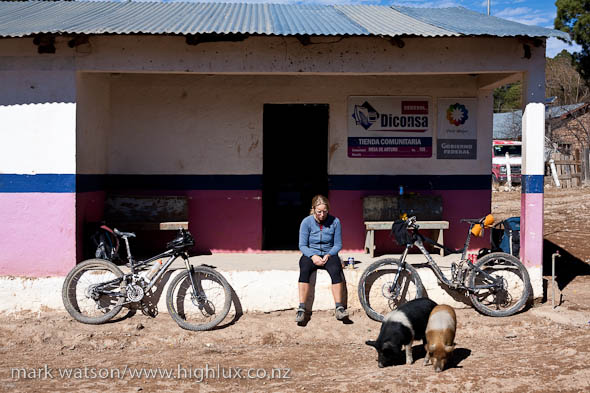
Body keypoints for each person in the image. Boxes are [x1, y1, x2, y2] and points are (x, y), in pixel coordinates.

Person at [296, 194, 348, 323]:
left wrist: (329, 254)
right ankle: (302, 308)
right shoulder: (306, 222)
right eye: (319, 212)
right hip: (311, 254)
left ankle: (339, 307)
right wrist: (313, 256)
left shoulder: (335, 221)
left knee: (336, 270)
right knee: (304, 269)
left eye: (325, 211)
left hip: (328, 254)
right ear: (313, 209)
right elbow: (302, 245)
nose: (322, 215)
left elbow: (338, 244)